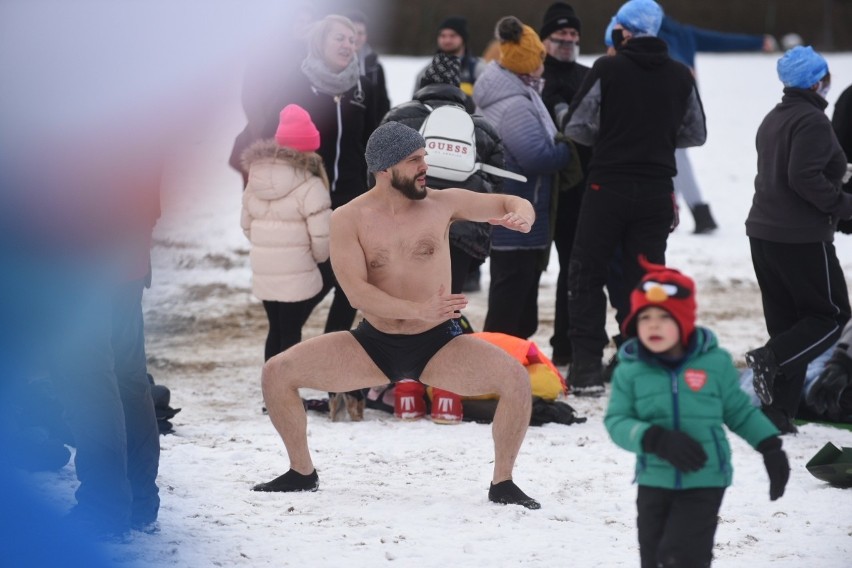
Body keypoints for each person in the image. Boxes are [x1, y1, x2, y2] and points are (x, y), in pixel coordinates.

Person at [253, 122, 541, 509]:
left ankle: (503, 482)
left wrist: (522, 215)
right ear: (385, 169)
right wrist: (415, 310)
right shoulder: (347, 218)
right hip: (374, 343)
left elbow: (508, 202)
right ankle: (301, 472)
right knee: (277, 372)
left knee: (516, 379)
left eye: (424, 156)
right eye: (415, 159)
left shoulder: (443, 203)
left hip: (439, 343)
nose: (425, 166)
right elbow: (357, 292)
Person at [605, 258, 789, 568]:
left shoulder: (713, 363)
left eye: (663, 317)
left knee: (680, 557)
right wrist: (652, 438)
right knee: (652, 558)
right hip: (653, 478)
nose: (652, 325)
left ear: (683, 321)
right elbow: (616, 421)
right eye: (644, 317)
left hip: (705, 479)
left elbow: (739, 412)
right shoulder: (631, 370)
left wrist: (770, 446)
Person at [563, 0, 706, 396]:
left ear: (623, 33)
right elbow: (696, 133)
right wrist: (655, 135)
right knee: (646, 279)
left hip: (607, 185)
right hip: (658, 191)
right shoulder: (680, 74)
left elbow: (576, 125)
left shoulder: (607, 69)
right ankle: (642, 362)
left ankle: (587, 368)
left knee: (587, 273)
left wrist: (614, 134)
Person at [745, 46, 852, 434]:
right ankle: (770, 358)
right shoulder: (812, 121)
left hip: (763, 234)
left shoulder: (774, 118)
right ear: (816, 81)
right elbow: (803, 177)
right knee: (831, 317)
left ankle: (777, 412)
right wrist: (843, 205)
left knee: (790, 323)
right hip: (800, 237)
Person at [474, 15, 571, 339]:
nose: (544, 62)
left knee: (515, 298)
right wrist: (567, 149)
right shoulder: (515, 104)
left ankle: (508, 362)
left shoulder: (507, 92)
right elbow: (537, 156)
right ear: (529, 63)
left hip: (511, 211)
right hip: (517, 215)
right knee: (511, 302)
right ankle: (496, 365)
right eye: (540, 57)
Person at [658, 15, 777, 234]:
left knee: (676, 155)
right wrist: (757, 41)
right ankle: (678, 210)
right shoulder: (684, 32)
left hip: (668, 103)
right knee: (676, 156)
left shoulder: (651, 35)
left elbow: (669, 52)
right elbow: (722, 41)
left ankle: (691, 212)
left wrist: (680, 66)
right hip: (689, 103)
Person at [240, 104, 331, 361]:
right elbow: (322, 238)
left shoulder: (255, 178)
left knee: (275, 329)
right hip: (298, 271)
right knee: (291, 334)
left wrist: (266, 246)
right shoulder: (311, 185)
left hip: (265, 270)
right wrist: (315, 258)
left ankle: (271, 396)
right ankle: (284, 396)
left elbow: (246, 225)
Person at [537, 2, 595, 366]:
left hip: (584, 191)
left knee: (576, 269)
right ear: (544, 39)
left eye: (573, 33)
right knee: (530, 271)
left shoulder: (589, 76)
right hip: (543, 190)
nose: (567, 39)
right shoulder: (533, 77)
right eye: (560, 34)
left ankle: (567, 345)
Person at [414, 16, 486, 97]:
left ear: (463, 38)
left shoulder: (479, 70)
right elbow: (416, 104)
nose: (447, 40)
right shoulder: (426, 72)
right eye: (443, 36)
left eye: (452, 36)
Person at [347, 10, 391, 121]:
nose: (357, 37)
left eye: (361, 33)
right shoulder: (334, 64)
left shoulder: (376, 67)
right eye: (353, 32)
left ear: (366, 36)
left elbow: (383, 103)